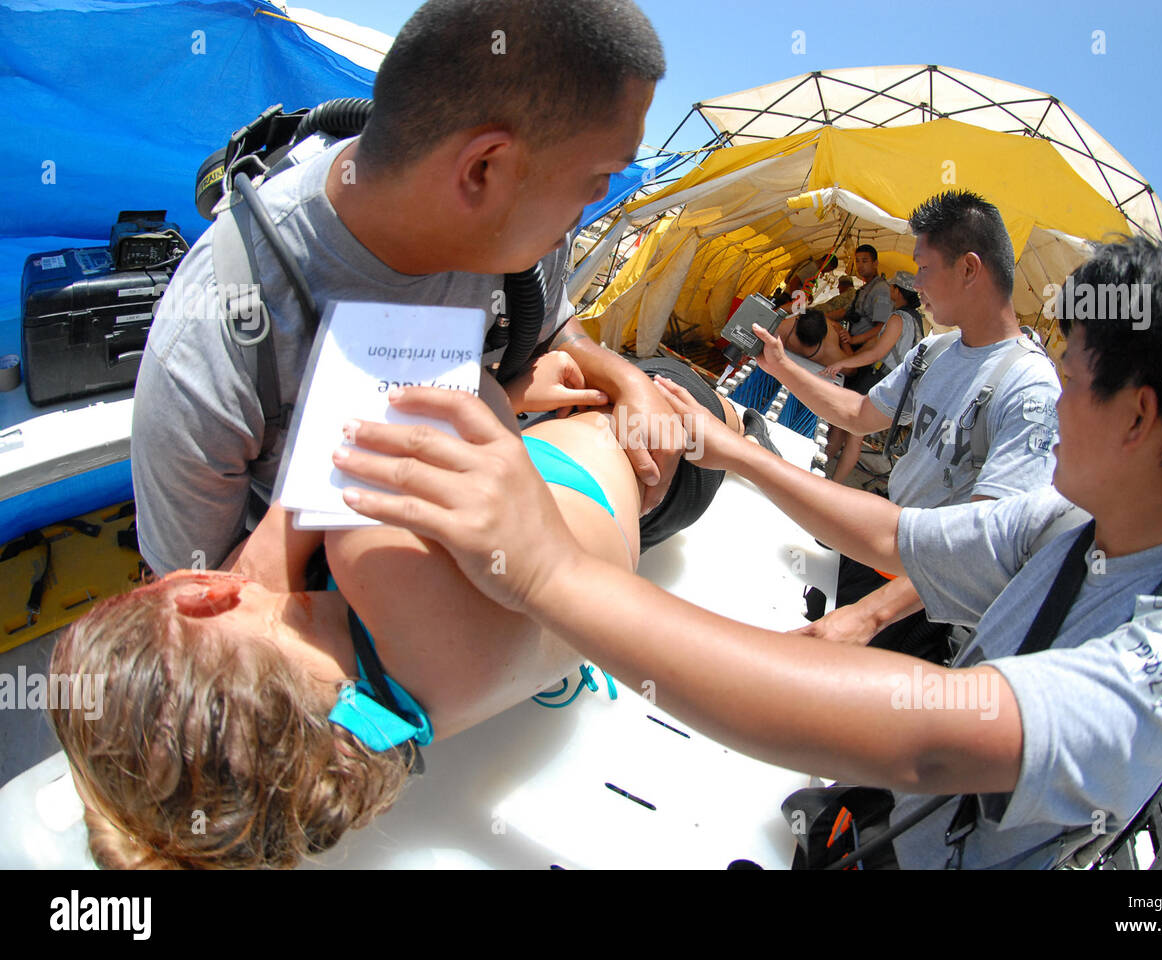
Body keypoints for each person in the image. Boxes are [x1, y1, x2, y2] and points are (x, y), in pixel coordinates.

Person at [334, 231, 1162, 870]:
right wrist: (733, 447)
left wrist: (548, 572)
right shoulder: (1074, 523)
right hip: (890, 829)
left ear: (1139, 415)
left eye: (1074, 384)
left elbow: (938, 740)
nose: (1056, 408)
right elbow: (891, 535)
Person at [50, 362, 734, 869]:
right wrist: (273, 547)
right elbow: (427, 376)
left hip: (654, 517)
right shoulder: (371, 547)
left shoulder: (366, 737)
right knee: (721, 411)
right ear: (205, 595)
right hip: (646, 434)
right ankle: (737, 420)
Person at [130, 0, 683, 578]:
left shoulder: (518, 233)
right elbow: (198, 605)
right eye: (597, 178)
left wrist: (627, 381)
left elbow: (553, 327)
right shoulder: (217, 335)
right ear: (482, 170)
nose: (594, 202)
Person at [753, 192, 1062, 660]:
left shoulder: (1029, 389)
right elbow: (858, 414)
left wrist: (871, 615)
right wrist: (782, 368)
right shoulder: (935, 354)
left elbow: (983, 544)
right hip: (882, 553)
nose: (916, 283)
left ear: (969, 269)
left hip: (923, 604)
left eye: (923, 267)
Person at [818, 271, 926, 485]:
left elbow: (877, 351)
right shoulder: (915, 320)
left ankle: (832, 483)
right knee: (842, 425)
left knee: (854, 436)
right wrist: (850, 345)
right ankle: (820, 468)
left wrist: (844, 362)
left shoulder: (898, 318)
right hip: (887, 381)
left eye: (892, 288)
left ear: (897, 290)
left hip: (878, 380)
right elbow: (874, 342)